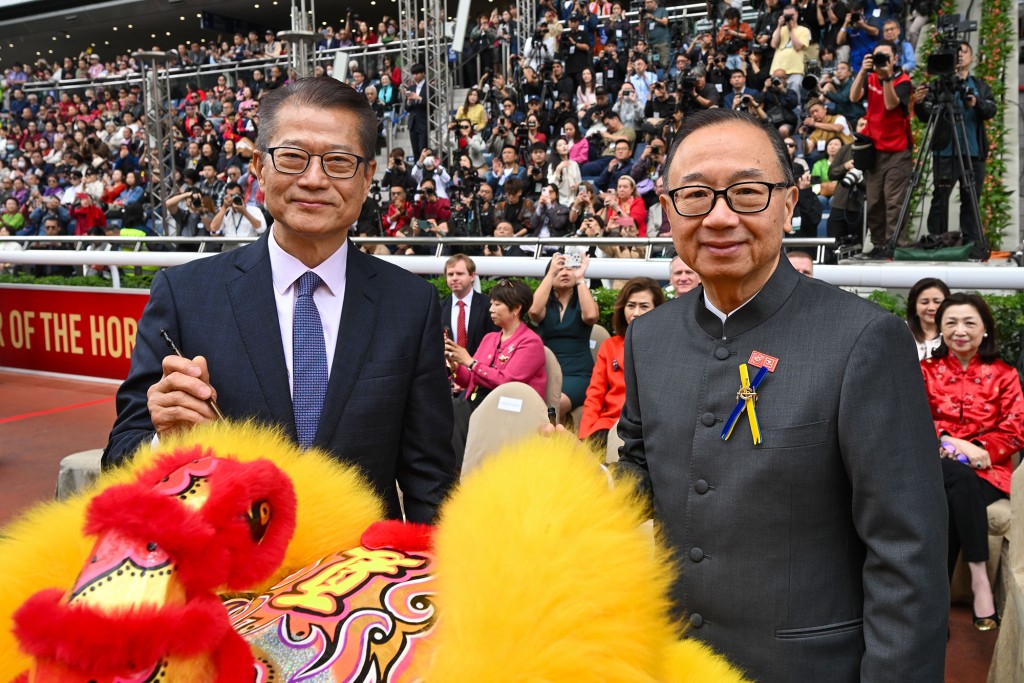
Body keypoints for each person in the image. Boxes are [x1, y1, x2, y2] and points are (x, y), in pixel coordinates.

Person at [614, 108, 948, 681]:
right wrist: (578, 486)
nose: (719, 218)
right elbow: (642, 462)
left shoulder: (864, 340)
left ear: (789, 203)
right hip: (674, 660)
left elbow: (907, 555)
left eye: (747, 193)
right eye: (694, 196)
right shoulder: (650, 336)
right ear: (667, 209)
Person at [101, 78, 456, 525]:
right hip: (227, 575)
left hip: (361, 579)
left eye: (339, 161)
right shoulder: (184, 295)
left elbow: (431, 481)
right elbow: (119, 456)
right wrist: (164, 441)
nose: (313, 179)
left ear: (367, 178)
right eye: (292, 157)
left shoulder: (411, 304)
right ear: (259, 167)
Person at [921, 292, 1024, 631]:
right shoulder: (924, 371)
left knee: (953, 492)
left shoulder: (1004, 374)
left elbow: (1015, 429)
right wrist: (954, 442)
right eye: (950, 322)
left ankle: (935, 616)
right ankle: (981, 581)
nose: (959, 330)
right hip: (937, 464)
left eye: (969, 322)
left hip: (988, 474)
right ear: (940, 328)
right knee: (954, 478)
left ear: (985, 329)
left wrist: (975, 450)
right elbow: (911, 417)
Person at [445, 278, 547, 468]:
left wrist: (470, 361)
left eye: (497, 304)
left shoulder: (531, 342)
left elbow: (508, 383)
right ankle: (456, 471)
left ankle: (458, 474)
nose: (490, 308)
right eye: (491, 303)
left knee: (455, 410)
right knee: (448, 406)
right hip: (479, 401)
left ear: (516, 308)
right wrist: (455, 364)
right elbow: (470, 380)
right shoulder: (490, 338)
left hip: (511, 408)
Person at [913, 41, 997, 257]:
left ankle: (971, 243)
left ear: (972, 57)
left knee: (971, 199)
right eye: (956, 52)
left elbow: (991, 110)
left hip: (973, 152)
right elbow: (925, 116)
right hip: (946, 151)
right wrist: (919, 103)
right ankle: (936, 240)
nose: (960, 55)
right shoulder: (938, 85)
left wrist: (976, 103)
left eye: (965, 52)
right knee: (940, 197)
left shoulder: (979, 85)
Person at [578, 277, 664, 447]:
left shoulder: (666, 347)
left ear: (658, 310)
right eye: (631, 305)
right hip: (608, 425)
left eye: (644, 306)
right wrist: (584, 435)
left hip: (648, 431)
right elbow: (595, 394)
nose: (636, 313)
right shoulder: (610, 346)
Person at [850, 41, 912, 259]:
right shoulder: (869, 76)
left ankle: (894, 245)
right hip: (875, 150)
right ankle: (877, 245)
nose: (881, 61)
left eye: (885, 57)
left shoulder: (903, 80)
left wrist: (886, 78)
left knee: (894, 201)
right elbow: (853, 97)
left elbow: (890, 104)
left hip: (898, 151)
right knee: (875, 200)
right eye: (877, 56)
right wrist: (862, 71)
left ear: (895, 58)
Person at [529, 253, 599, 421]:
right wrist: (550, 273)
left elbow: (591, 316)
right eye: (559, 270)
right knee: (532, 404)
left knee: (555, 405)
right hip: (547, 372)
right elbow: (533, 312)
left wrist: (581, 278)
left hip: (578, 374)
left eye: (570, 268)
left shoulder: (582, 300)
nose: (565, 273)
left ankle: (555, 446)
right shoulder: (545, 304)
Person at [441, 254, 497, 357]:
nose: (454, 278)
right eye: (450, 274)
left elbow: (496, 341)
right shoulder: (439, 308)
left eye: (459, 274)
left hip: (481, 367)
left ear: (472, 276)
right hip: (448, 370)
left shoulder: (488, 305)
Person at [907, 277, 951, 360]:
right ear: (914, 306)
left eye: (937, 302)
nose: (931, 308)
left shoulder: (955, 335)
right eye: (924, 302)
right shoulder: (902, 332)